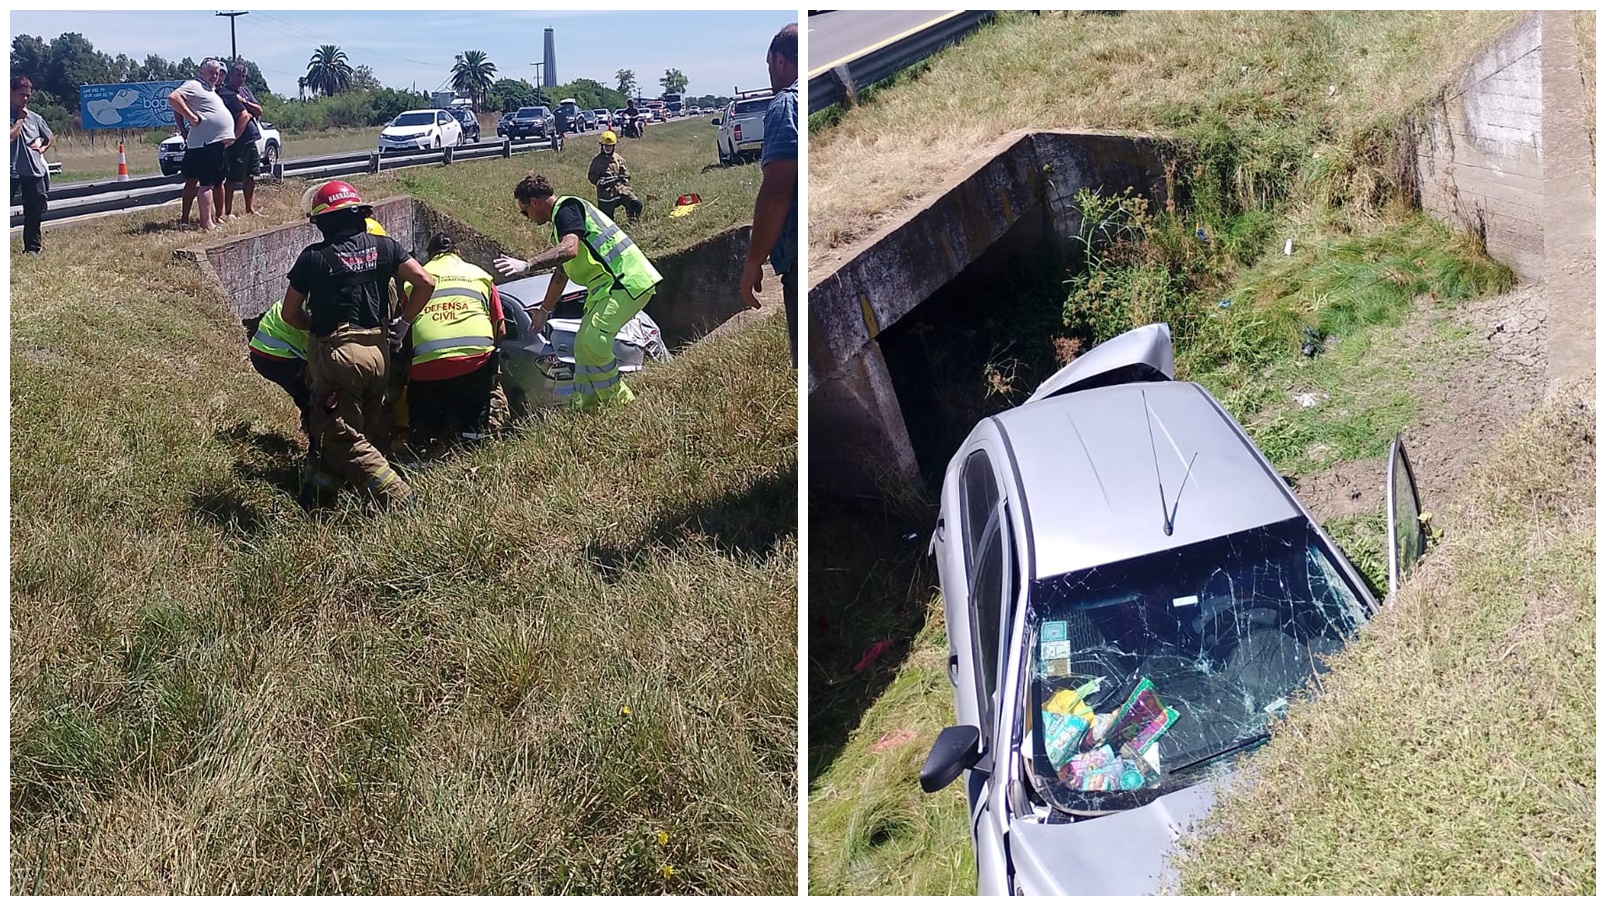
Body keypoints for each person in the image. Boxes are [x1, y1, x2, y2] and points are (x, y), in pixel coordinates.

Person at [279, 180, 435, 508]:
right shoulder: (386, 247)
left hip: (339, 356)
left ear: (322, 222)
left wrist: (319, 333)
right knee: (361, 429)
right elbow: (424, 281)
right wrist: (403, 324)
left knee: (336, 434)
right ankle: (319, 501)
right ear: (359, 215)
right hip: (379, 355)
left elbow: (289, 313)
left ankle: (401, 498)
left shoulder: (313, 258)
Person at [495, 173, 662, 410]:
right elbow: (561, 274)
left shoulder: (566, 208)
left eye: (525, 212)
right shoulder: (562, 224)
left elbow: (570, 249)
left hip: (624, 281)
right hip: (608, 288)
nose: (527, 218)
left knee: (594, 342)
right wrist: (544, 310)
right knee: (582, 348)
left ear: (534, 202)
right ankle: (588, 407)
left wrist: (528, 263)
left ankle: (622, 404)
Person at [400, 233, 506, 448]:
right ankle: (472, 444)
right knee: (474, 417)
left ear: (429, 256)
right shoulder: (480, 276)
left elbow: (406, 329)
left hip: (428, 365)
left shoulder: (413, 281)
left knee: (427, 420)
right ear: (457, 252)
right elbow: (501, 329)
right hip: (476, 360)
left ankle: (425, 447)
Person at [741, 22, 800, 367]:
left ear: (780, 61)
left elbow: (776, 195)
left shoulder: (784, 106)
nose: (769, 74)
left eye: (768, 65)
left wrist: (752, 263)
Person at [168, 60, 234, 231]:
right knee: (206, 183)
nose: (215, 76)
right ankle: (207, 223)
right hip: (206, 142)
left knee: (213, 181)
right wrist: (191, 118)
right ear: (201, 72)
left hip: (213, 142)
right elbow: (173, 98)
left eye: (217, 73)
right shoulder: (194, 85)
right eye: (211, 72)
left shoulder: (209, 90)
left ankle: (212, 218)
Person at [10, 75, 53, 257]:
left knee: (34, 212)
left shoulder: (35, 118)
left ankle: (32, 249)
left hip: (32, 170)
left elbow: (50, 136)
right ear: (10, 93)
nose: (25, 99)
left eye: (28, 95)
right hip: (9, 171)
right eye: (22, 95)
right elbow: (9, 138)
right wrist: (19, 119)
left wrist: (42, 147)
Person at [217, 60, 264, 218]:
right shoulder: (225, 93)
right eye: (238, 75)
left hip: (251, 138)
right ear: (230, 75)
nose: (241, 79)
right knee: (232, 177)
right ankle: (227, 212)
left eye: (243, 76)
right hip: (236, 140)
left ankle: (249, 208)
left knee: (250, 175)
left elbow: (258, 110)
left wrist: (245, 102)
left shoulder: (245, 91)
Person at [587, 130, 643, 222]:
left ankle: (633, 223)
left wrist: (625, 182)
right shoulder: (597, 161)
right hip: (606, 195)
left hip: (622, 191)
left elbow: (626, 174)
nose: (608, 148)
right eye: (606, 146)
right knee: (606, 221)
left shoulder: (619, 159)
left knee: (636, 204)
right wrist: (600, 182)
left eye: (610, 146)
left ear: (614, 146)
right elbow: (591, 176)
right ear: (602, 146)